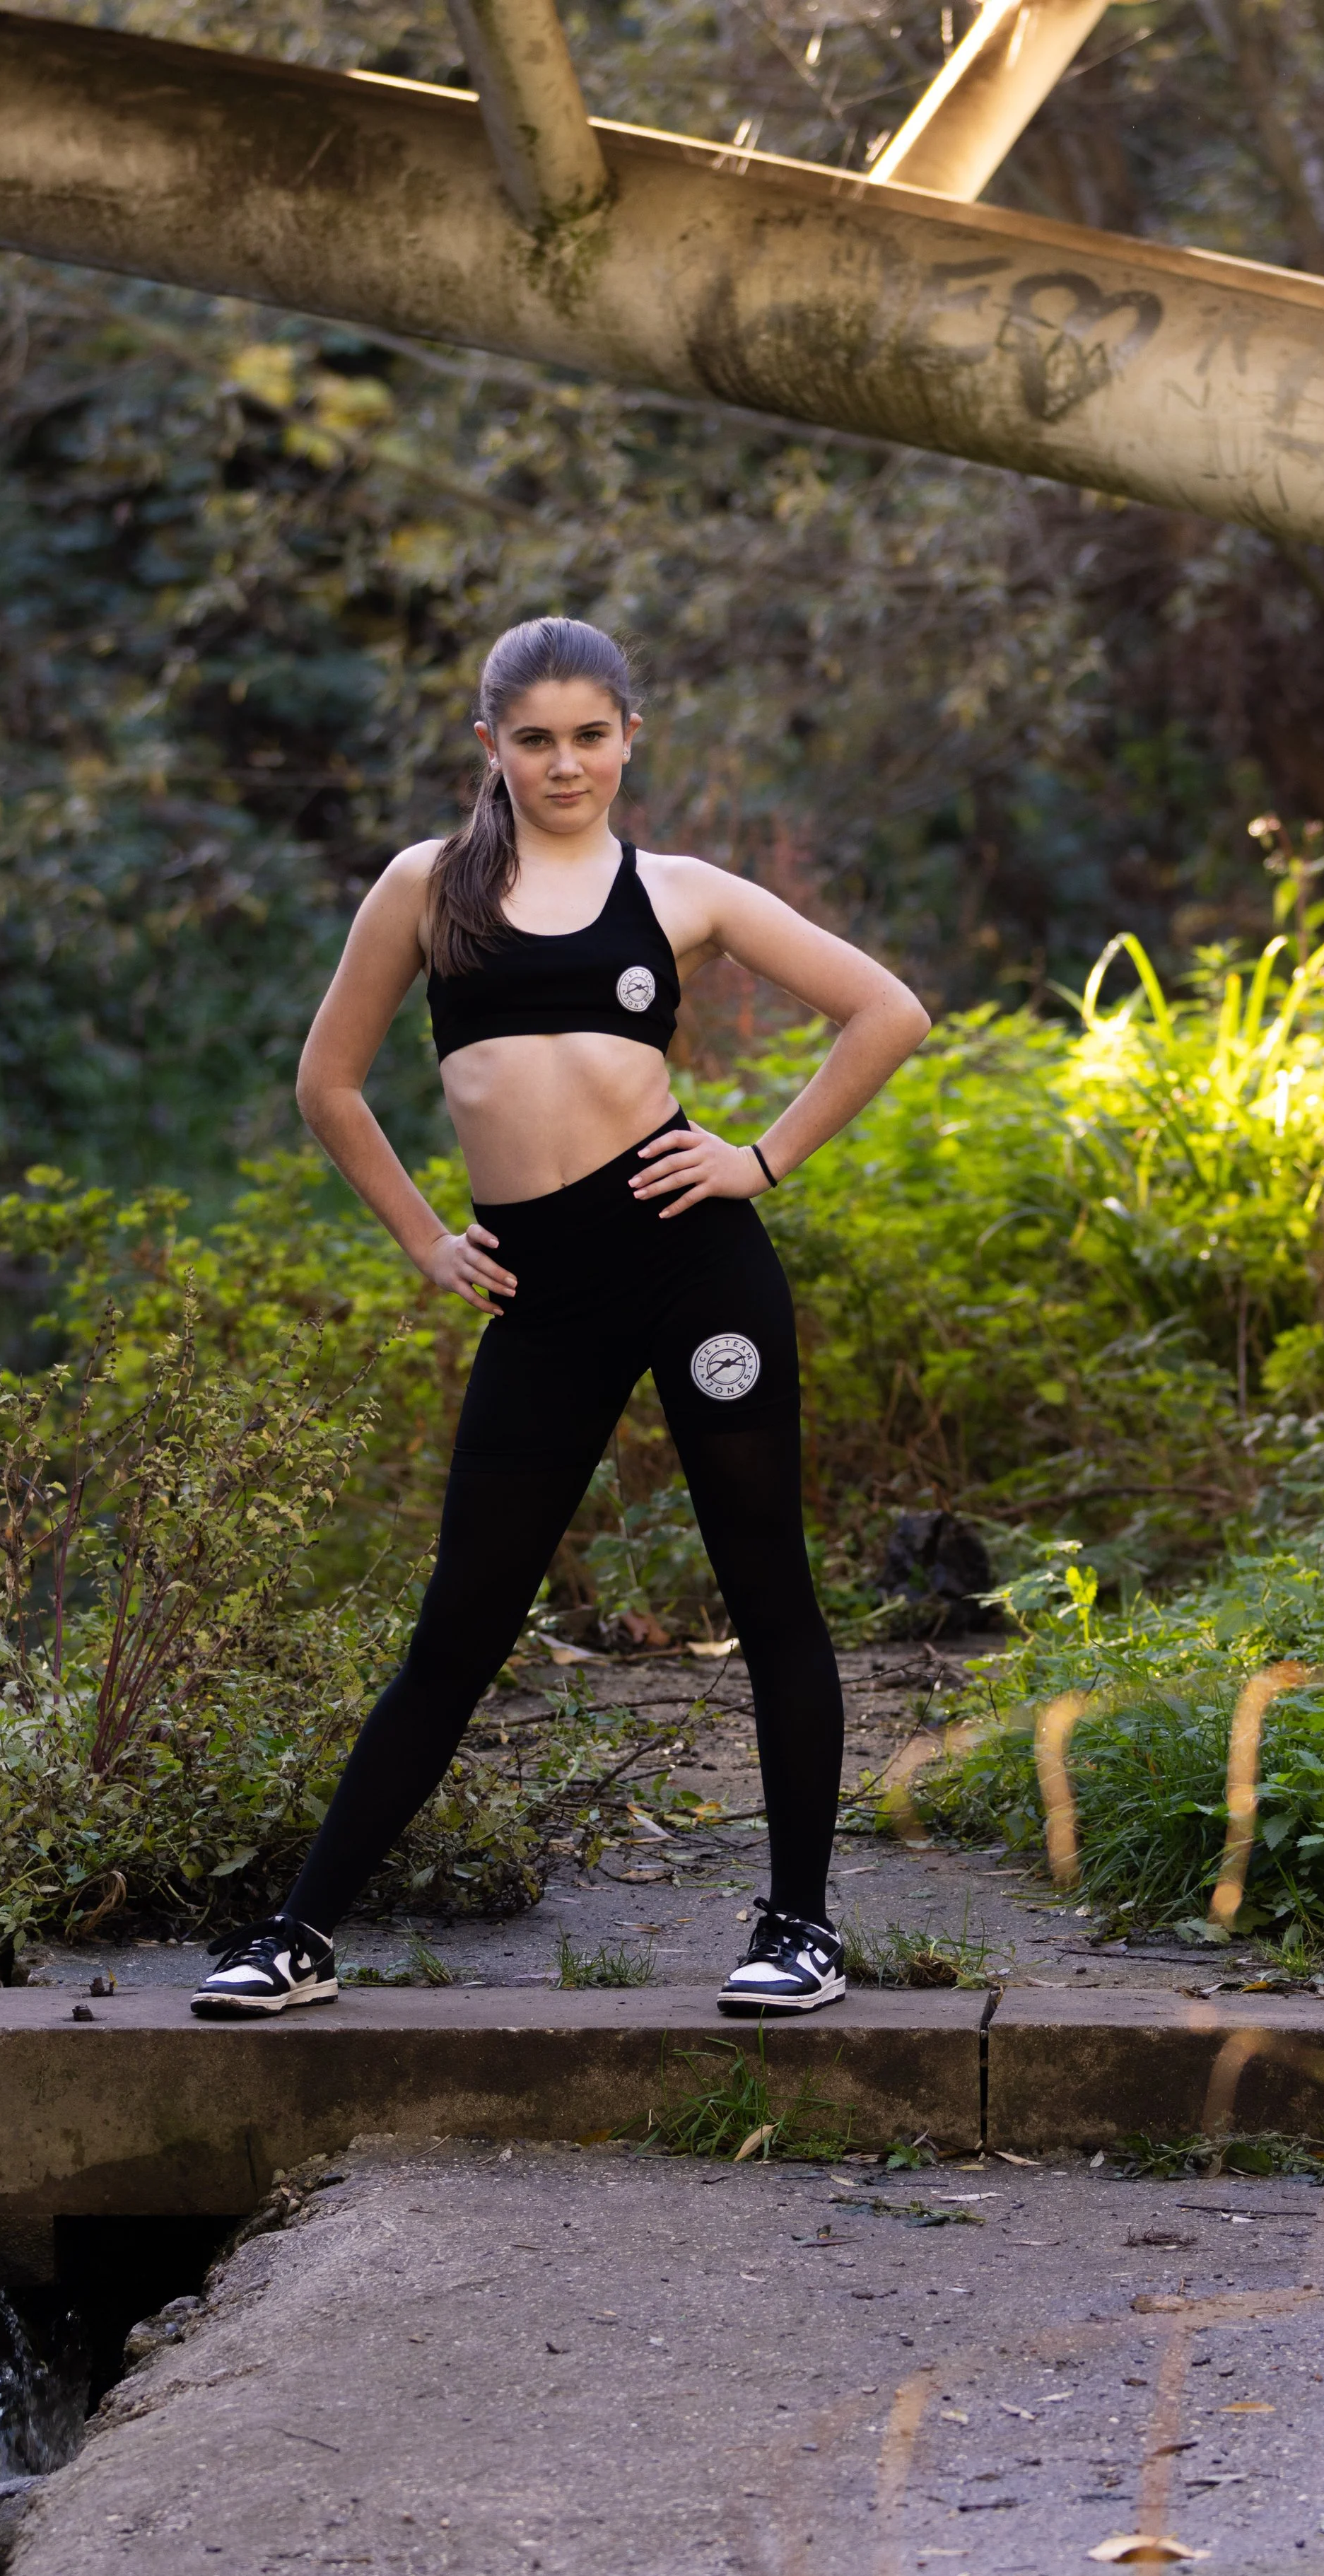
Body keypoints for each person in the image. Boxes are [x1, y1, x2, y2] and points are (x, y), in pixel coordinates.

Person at [192, 617, 928, 2022]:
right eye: (533, 739)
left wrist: (756, 1160)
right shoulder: (426, 889)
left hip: (689, 1263)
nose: (563, 762)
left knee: (764, 1583)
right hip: (536, 1295)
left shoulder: (682, 894)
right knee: (460, 1621)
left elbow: (883, 1013)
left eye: (589, 735)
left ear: (627, 739)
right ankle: (294, 1935)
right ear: (489, 748)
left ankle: (796, 1928)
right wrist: (422, 1238)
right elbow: (327, 1085)